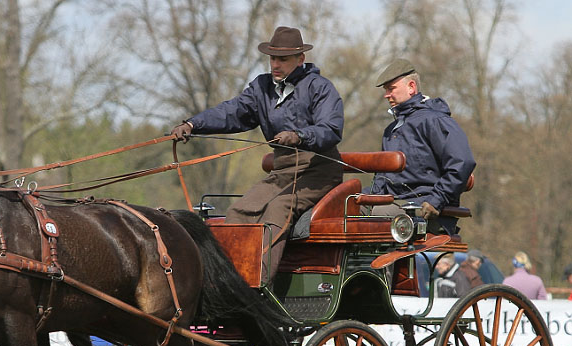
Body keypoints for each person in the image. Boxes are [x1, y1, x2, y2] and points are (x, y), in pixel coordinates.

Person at [171, 26, 343, 284]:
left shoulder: (319, 87)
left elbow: (330, 128)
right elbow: (232, 112)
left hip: (318, 171)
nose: (276, 64)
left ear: (300, 59)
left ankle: (258, 284)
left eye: (283, 59)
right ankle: (226, 282)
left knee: (277, 209)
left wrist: (300, 136)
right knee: (239, 211)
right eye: (273, 58)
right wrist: (193, 125)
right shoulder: (261, 87)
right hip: (282, 173)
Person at [365, 59, 476, 235]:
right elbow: (382, 179)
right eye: (385, 90)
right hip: (396, 204)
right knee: (346, 210)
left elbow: (463, 162)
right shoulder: (391, 131)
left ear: (411, 87)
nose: (386, 95)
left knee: (376, 216)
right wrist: (360, 197)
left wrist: (437, 199)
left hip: (429, 208)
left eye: (390, 88)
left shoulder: (435, 120)